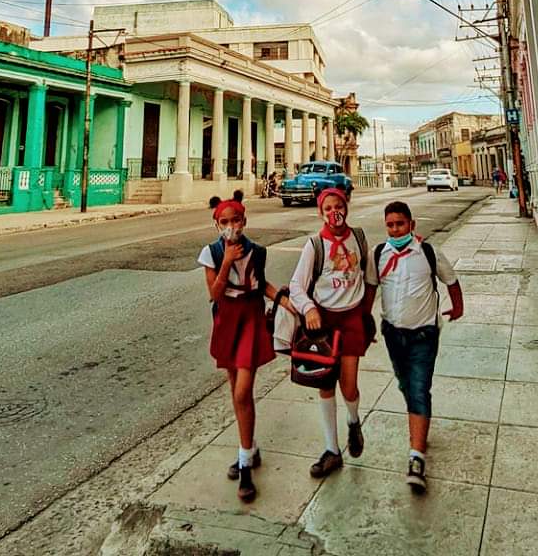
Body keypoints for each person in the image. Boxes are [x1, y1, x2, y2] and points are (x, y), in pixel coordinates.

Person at [198, 190, 291, 502]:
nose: (230, 226)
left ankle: (246, 464)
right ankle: (248, 446)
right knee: (235, 389)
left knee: (243, 392)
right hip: (226, 320)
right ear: (216, 224)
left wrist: (291, 307)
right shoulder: (210, 253)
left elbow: (262, 284)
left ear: (244, 220)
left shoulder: (257, 251)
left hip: (250, 318)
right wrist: (225, 261)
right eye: (224, 222)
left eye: (235, 220)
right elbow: (214, 292)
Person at [368, 201, 464, 493]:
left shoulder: (427, 252)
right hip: (393, 334)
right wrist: (365, 325)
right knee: (406, 386)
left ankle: (416, 457)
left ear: (411, 224)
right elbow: (370, 290)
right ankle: (419, 424)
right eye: (390, 225)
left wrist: (457, 308)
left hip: (424, 334)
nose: (395, 229)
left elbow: (451, 281)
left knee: (419, 388)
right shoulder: (379, 254)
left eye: (400, 224)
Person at [289, 188, 377, 478]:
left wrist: (366, 314)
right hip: (323, 324)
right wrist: (309, 309)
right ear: (320, 212)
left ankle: (353, 421)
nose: (334, 212)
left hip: (351, 319)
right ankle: (332, 450)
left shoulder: (359, 238)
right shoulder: (315, 245)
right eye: (328, 208)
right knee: (325, 384)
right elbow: (297, 287)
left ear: (347, 206)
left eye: (338, 206)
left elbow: (370, 278)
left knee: (349, 385)